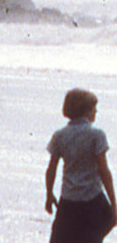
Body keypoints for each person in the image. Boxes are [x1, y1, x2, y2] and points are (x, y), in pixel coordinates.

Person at [46, 87, 116, 242]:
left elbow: (51, 168)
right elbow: (104, 170)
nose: (96, 112)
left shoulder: (60, 135)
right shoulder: (96, 135)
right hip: (93, 198)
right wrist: (114, 202)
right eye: (93, 108)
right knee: (105, 223)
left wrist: (49, 193)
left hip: (69, 199)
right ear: (86, 110)